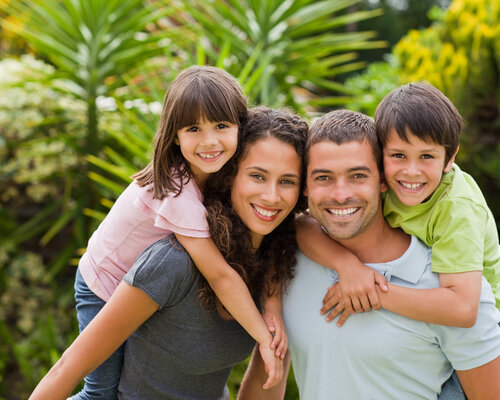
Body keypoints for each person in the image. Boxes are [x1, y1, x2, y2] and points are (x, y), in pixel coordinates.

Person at [29, 106, 308, 399]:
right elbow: (67, 370)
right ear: (230, 175)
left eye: (287, 181)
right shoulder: (173, 261)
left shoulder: (278, 265)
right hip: (99, 278)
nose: (272, 196)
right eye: (258, 176)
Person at [238, 110, 500, 400]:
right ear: (305, 186)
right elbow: (266, 380)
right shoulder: (291, 263)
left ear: (383, 180)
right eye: (324, 178)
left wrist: (376, 292)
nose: (341, 193)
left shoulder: (449, 287)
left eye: (358, 175)